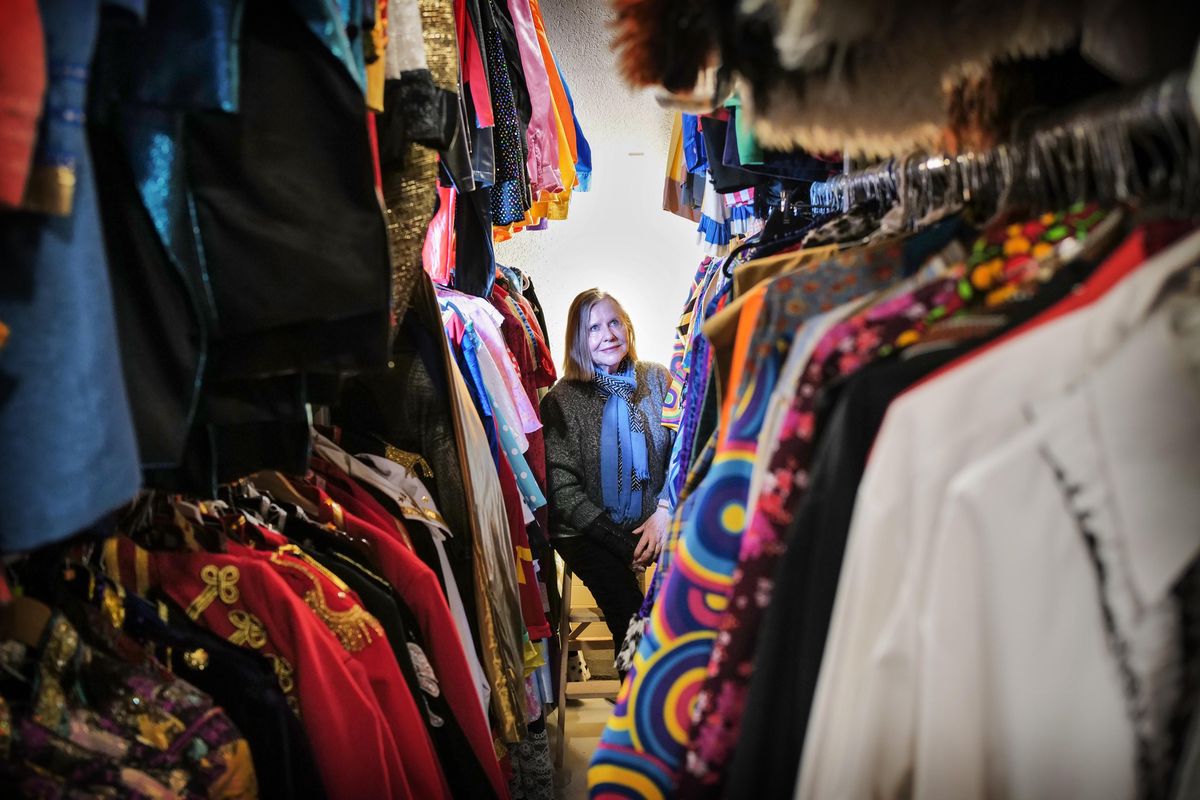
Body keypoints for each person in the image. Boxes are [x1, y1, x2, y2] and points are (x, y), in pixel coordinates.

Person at [541, 289, 675, 664]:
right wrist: (622, 545)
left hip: (655, 523)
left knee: (692, 602)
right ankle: (637, 706)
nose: (608, 334)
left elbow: (684, 451)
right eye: (593, 328)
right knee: (634, 618)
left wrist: (664, 511)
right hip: (587, 532)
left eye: (614, 322)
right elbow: (562, 490)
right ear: (577, 341)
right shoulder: (561, 400)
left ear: (628, 327)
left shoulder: (658, 380)